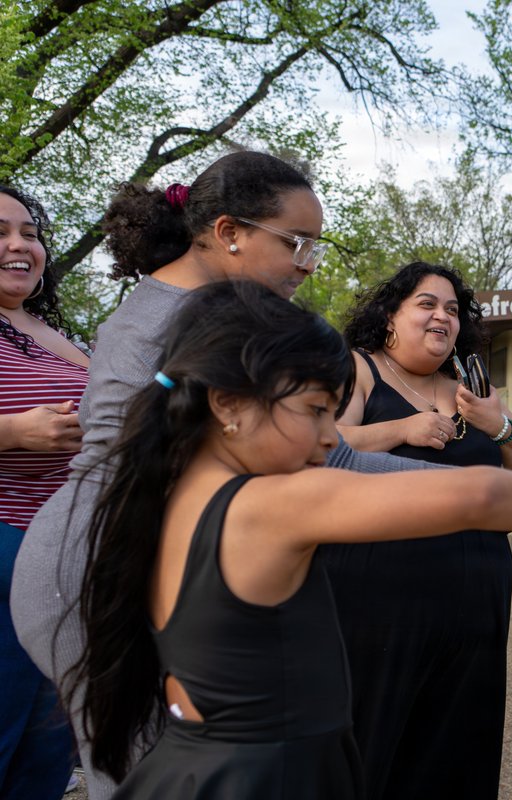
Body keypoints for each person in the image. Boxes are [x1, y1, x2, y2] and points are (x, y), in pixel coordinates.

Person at [62, 280, 512, 798]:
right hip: (266, 775)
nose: (329, 437)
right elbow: (480, 495)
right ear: (228, 404)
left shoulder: (174, 494)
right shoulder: (269, 505)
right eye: (316, 411)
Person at [10, 151, 434, 799]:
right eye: (295, 243)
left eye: (315, 247)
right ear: (230, 233)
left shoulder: (185, 309)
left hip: (104, 559)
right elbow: (328, 460)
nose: (305, 264)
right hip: (90, 574)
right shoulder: (185, 323)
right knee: (141, 773)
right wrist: (456, 491)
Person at [323, 262, 512, 800]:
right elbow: (323, 446)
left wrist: (495, 423)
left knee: (460, 735)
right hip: (383, 591)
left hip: (479, 590)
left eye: (453, 310)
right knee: (375, 732)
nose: (443, 316)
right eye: (427, 304)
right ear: (389, 314)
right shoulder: (359, 368)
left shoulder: (470, 384)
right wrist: (401, 428)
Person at [0, 186, 86, 799]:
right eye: (1, 232)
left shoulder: (54, 333)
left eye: (29, 232)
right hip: (3, 545)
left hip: (70, 556)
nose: (19, 245)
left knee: (50, 742)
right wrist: (13, 431)